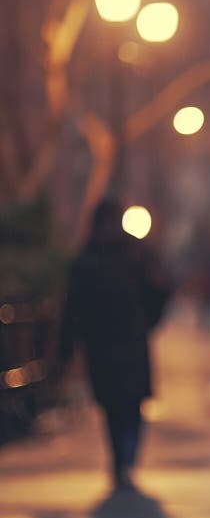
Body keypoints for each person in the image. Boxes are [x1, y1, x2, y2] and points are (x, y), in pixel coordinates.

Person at [60, 198, 171, 490]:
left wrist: (68, 347)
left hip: (106, 344)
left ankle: (123, 460)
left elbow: (71, 309)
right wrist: (148, 321)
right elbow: (159, 292)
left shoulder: (90, 259)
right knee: (125, 406)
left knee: (119, 406)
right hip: (124, 342)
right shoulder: (135, 256)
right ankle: (125, 459)